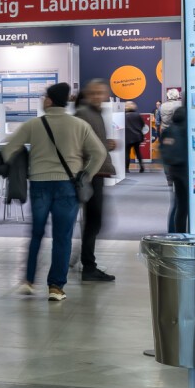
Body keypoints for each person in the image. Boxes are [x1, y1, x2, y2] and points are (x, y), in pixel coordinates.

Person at [2, 83, 107, 301]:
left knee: (36, 234)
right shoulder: (79, 125)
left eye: (44, 96)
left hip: (39, 185)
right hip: (67, 186)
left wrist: (22, 162)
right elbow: (99, 153)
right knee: (63, 237)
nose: (42, 99)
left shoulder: (33, 124)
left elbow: (8, 148)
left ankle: (29, 281)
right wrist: (85, 175)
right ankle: (56, 287)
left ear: (49, 100)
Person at [75, 80, 117, 283]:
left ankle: (83, 261)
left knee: (94, 221)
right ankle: (88, 266)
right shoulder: (84, 113)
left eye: (102, 93)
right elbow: (80, 145)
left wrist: (105, 145)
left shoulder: (94, 113)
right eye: (96, 93)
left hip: (96, 173)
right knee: (93, 220)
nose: (99, 97)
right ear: (89, 94)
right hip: (91, 174)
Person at [160, 106, 190, 232]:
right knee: (186, 205)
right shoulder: (187, 129)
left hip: (174, 170)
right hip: (186, 171)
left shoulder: (168, 130)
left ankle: (175, 233)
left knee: (179, 204)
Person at [124, 101, 145, 173]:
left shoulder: (124, 116)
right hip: (137, 136)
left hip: (128, 137)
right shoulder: (137, 115)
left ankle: (126, 168)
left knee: (127, 153)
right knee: (137, 152)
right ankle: (141, 166)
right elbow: (142, 124)